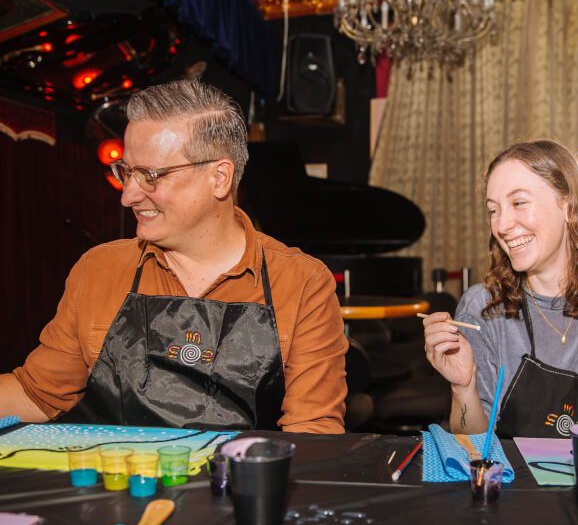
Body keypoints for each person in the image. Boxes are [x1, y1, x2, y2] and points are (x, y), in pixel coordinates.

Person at [0, 79, 348, 433]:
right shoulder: (98, 269)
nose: (128, 196)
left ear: (220, 177)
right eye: (127, 173)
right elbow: (37, 394)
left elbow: (313, 436)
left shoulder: (302, 282)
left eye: (151, 176)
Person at [422, 140, 578, 440]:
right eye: (494, 210)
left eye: (519, 203)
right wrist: (463, 387)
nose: (502, 225)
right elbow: (472, 446)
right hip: (516, 486)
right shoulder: (482, 308)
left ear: (569, 207)